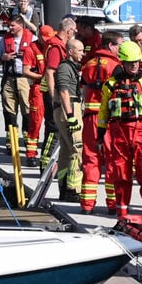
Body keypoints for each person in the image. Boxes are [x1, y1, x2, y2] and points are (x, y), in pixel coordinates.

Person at [97, 40, 142, 218]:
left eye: (136, 62)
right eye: (130, 62)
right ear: (122, 63)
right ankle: (122, 213)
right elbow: (103, 109)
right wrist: (100, 132)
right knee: (121, 175)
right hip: (119, 133)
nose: (134, 66)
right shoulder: (110, 84)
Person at [79, 31, 123, 214]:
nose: (120, 49)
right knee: (112, 160)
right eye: (119, 45)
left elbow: (82, 89)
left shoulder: (88, 64)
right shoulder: (116, 66)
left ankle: (87, 205)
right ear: (111, 45)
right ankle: (112, 205)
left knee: (91, 160)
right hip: (108, 120)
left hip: (90, 118)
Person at [0, 15, 35, 161]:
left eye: (12, 25)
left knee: (27, 109)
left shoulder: (32, 40)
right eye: (9, 25)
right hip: (9, 79)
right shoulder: (4, 40)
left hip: (25, 79)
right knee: (9, 110)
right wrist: (3, 58)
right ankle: (10, 139)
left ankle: (27, 135)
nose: (9, 28)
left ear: (21, 26)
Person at [39, 17, 77, 169]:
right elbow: (50, 72)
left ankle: (49, 162)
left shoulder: (57, 44)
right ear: (68, 31)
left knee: (55, 128)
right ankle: (45, 163)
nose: (74, 34)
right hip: (53, 93)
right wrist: (53, 95)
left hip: (53, 91)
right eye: (74, 31)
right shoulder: (56, 47)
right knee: (53, 129)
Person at [54, 39, 86, 202]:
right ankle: (73, 189)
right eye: (79, 50)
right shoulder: (65, 68)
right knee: (77, 148)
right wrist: (71, 116)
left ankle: (64, 187)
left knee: (66, 151)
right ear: (70, 51)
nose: (83, 53)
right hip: (69, 107)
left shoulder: (70, 67)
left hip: (66, 108)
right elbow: (64, 92)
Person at [22, 25, 55, 164]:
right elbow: (25, 71)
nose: (48, 40)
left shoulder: (52, 47)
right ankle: (31, 154)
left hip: (51, 88)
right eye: (45, 38)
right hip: (37, 88)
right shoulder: (31, 49)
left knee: (51, 122)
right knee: (35, 122)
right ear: (40, 36)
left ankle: (47, 153)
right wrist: (41, 76)